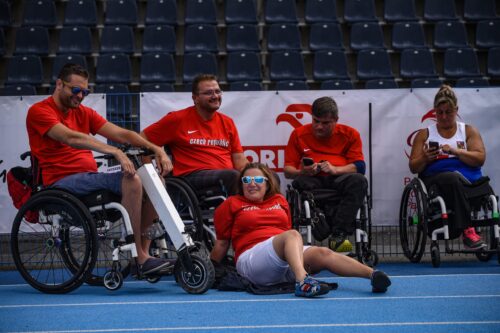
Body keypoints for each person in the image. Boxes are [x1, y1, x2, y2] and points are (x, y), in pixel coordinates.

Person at [26, 63, 173, 276]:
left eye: (85, 92)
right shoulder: (39, 111)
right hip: (61, 182)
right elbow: (70, 137)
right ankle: (138, 257)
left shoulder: (84, 112)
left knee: (154, 178)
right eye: (75, 90)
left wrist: (155, 148)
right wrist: (114, 152)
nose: (81, 96)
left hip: (89, 177)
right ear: (59, 84)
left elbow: (122, 134)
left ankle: (144, 253)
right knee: (132, 179)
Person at [210, 162, 391, 297]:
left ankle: (373, 275)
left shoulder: (279, 200)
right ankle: (303, 281)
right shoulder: (231, 204)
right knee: (292, 235)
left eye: (258, 179)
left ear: (267, 183)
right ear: (241, 184)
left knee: (322, 253)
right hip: (251, 260)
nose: (252, 183)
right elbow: (222, 243)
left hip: (281, 257)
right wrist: (209, 271)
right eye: (246, 179)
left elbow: (284, 231)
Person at [409, 84, 490, 249]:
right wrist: (424, 157)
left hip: (467, 178)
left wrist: (456, 151)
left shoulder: (468, 130)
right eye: (440, 113)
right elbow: (413, 167)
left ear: (456, 110)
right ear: (434, 112)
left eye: (449, 112)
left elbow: (480, 158)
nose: (444, 117)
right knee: (451, 178)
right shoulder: (425, 134)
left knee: (483, 185)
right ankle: (468, 230)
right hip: (437, 179)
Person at [140, 74, 248, 196]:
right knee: (232, 176)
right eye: (208, 93)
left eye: (218, 91)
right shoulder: (177, 119)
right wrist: (157, 155)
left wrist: (256, 173)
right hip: (190, 178)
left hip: (225, 176)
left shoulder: (228, 122)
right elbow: (140, 139)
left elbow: (239, 160)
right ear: (195, 98)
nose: (215, 96)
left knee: (268, 177)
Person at [283, 96, 368, 252]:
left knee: (359, 181)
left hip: (339, 179)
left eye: (325, 123)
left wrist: (335, 169)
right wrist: (302, 171)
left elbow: (360, 166)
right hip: (312, 181)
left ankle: (338, 235)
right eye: (316, 121)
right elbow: (288, 171)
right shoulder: (298, 134)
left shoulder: (350, 134)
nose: (319, 127)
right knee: (299, 183)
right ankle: (321, 219)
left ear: (335, 120)